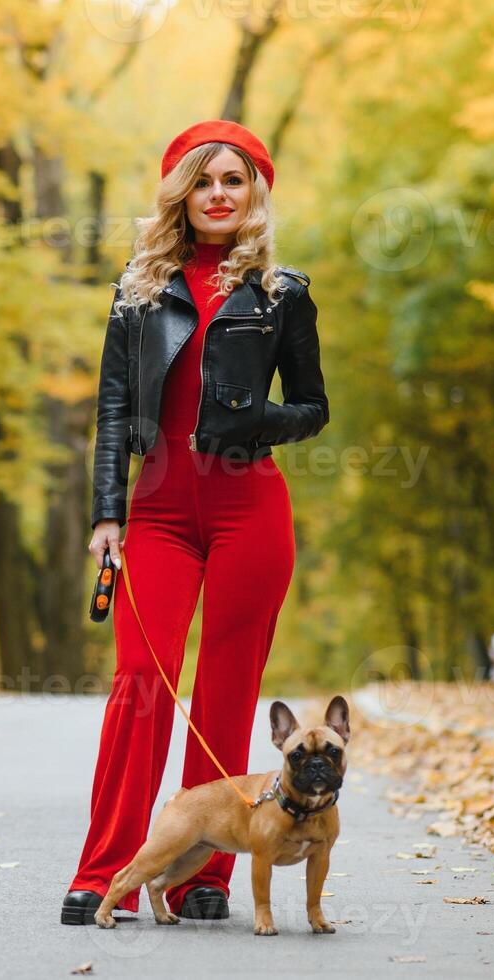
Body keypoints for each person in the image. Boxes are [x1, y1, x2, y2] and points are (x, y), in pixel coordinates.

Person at [62, 120, 330, 925]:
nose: (218, 195)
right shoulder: (139, 289)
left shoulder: (283, 292)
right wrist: (108, 514)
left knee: (224, 687)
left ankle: (199, 875)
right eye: (203, 181)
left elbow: (314, 409)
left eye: (233, 181)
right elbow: (113, 409)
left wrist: (254, 419)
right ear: (181, 193)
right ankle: (104, 868)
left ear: (254, 193)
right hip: (160, 509)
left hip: (250, 504)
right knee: (141, 685)